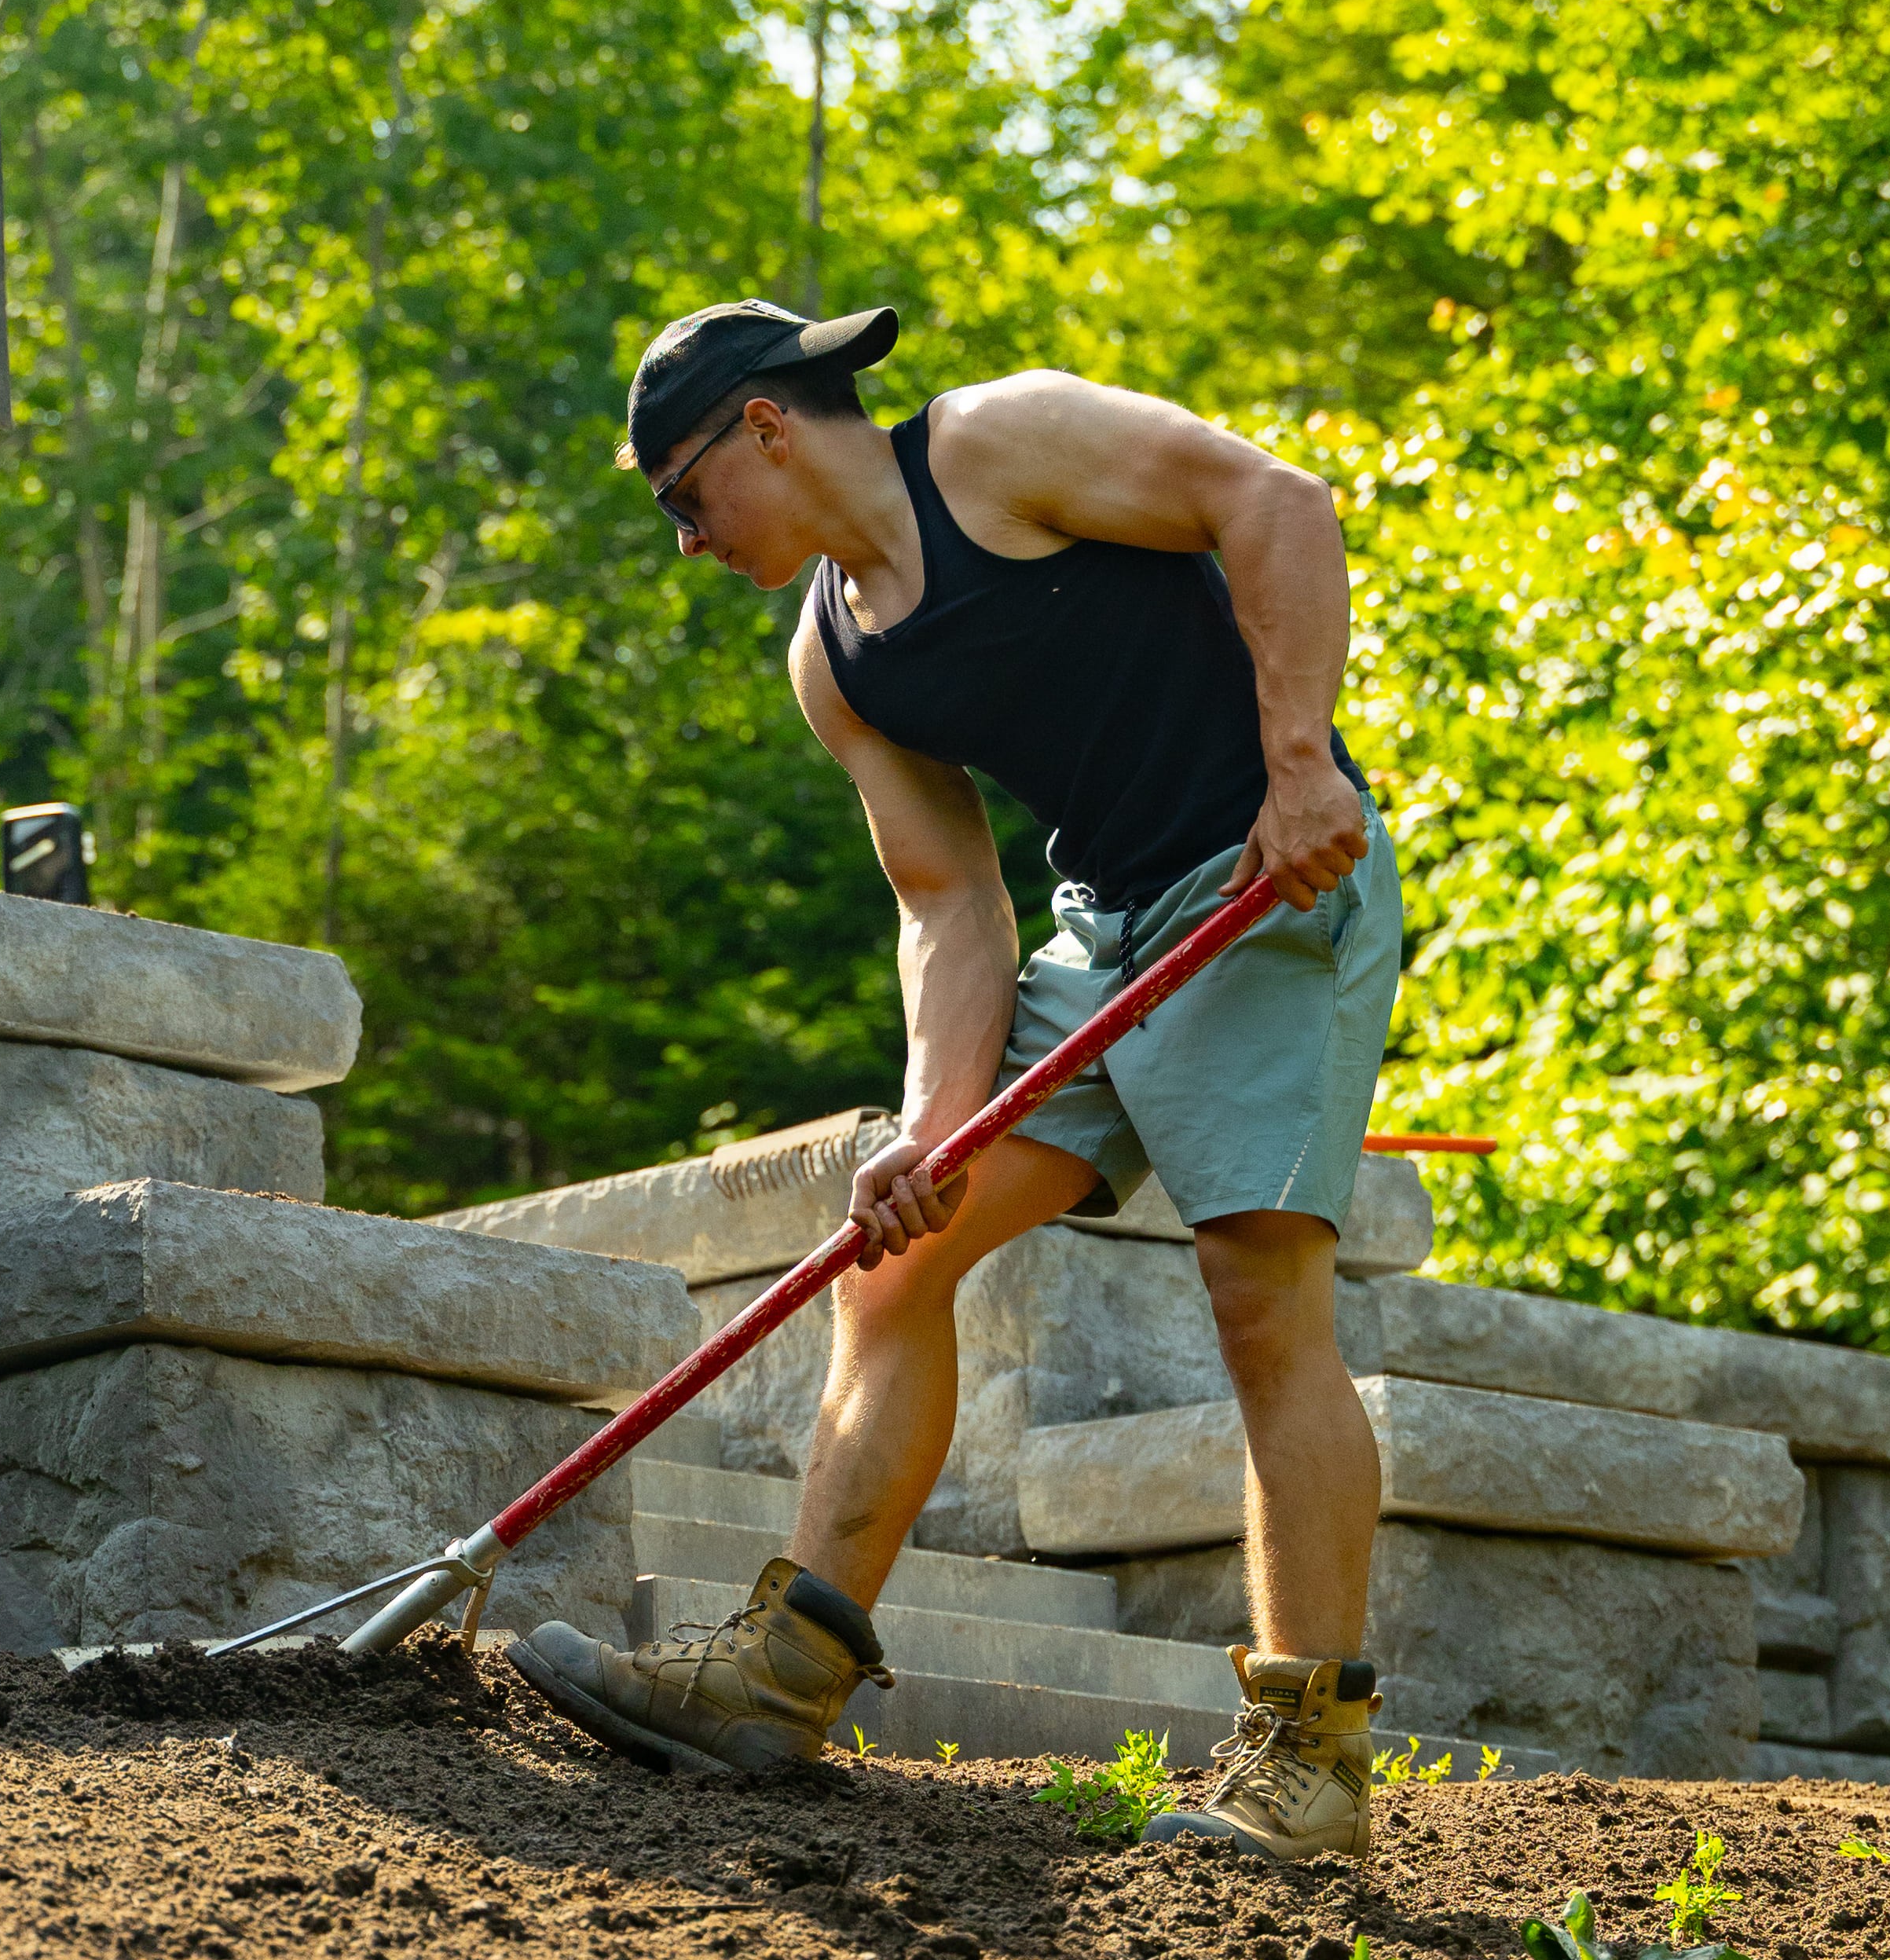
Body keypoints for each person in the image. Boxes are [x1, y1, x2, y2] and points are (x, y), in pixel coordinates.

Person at [511, 301, 1402, 1866]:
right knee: (895, 1256)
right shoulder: (833, 658)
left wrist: (1298, 758)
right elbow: (947, 905)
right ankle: (779, 1681)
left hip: (1260, 876)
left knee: (1257, 1292)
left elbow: (1275, 505)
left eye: (679, 494)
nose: (681, 538)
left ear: (766, 426)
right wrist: (924, 1132)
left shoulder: (997, 446)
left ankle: (1308, 1762)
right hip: (1102, 929)